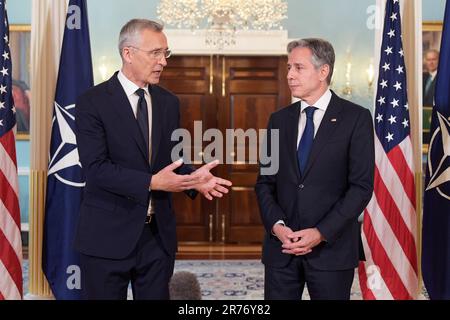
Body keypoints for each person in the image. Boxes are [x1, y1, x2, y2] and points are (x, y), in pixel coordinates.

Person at [74, 19, 231, 300]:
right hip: (107, 237)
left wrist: (194, 178)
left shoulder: (168, 102)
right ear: (128, 53)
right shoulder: (92, 101)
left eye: (165, 53)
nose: (163, 62)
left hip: (157, 240)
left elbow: (172, 159)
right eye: (155, 53)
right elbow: (96, 169)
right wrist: (151, 182)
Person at [255, 38, 375, 300]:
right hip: (281, 250)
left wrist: (321, 232)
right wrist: (277, 227)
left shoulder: (356, 118)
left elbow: (361, 187)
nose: (289, 75)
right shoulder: (279, 120)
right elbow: (265, 182)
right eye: (289, 68)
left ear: (323, 72)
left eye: (298, 67)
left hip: (331, 251)